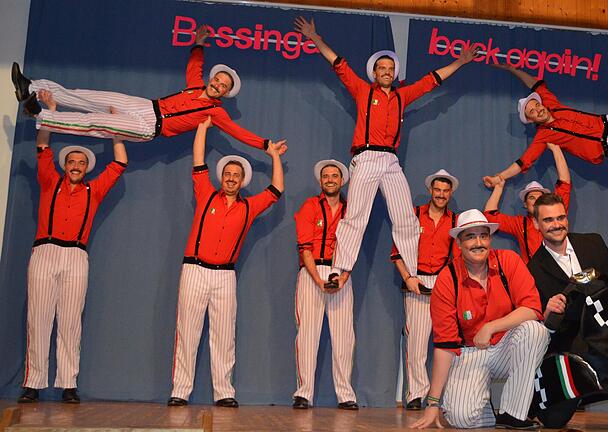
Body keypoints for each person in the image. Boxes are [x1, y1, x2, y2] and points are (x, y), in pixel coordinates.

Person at [294, 16, 478, 290]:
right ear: (374, 72)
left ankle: (413, 274)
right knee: (355, 215)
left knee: (405, 216)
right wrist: (314, 37)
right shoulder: (363, 91)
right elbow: (338, 64)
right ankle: (339, 270)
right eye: (382, 68)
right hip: (366, 156)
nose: (387, 71)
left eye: (391, 68)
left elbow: (432, 81)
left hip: (390, 160)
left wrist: (460, 63)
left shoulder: (402, 96)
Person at [11, 26, 286, 153]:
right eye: (217, 80)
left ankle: (40, 116)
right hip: (145, 105)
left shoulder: (217, 115)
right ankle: (30, 86)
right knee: (87, 96)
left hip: (148, 128)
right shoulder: (195, 86)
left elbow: (239, 133)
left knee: (94, 122)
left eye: (223, 86)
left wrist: (266, 145)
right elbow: (194, 68)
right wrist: (199, 43)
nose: (217, 85)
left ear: (226, 93)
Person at [18, 90, 128, 404]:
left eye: (81, 162)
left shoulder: (94, 190)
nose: (76, 165)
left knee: (69, 320)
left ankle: (68, 383)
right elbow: (42, 145)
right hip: (44, 252)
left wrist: (113, 127)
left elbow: (120, 161)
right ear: (65, 165)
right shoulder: (50, 182)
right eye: (72, 161)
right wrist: (50, 111)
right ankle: (33, 383)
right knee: (38, 317)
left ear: (87, 167)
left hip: (77, 255)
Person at [167, 117, 285, 408]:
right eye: (228, 174)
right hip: (194, 269)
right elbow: (197, 160)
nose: (232, 178)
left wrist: (273, 157)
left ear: (243, 180)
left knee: (223, 334)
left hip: (225, 276)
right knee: (188, 331)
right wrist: (203, 129)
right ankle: (180, 390)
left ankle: (224, 392)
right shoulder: (206, 194)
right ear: (222, 177)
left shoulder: (250, 206)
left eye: (237, 175)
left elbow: (276, 190)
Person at [412, 209, 548, 430]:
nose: (478, 242)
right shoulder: (447, 279)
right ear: (458, 243)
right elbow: (445, 345)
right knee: (461, 419)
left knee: (535, 331)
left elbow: (532, 308)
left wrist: (491, 327)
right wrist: (433, 403)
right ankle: (483, 404)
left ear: (490, 239)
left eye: (483, 236)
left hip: (505, 348)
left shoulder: (509, 261)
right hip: (469, 353)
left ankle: (512, 413)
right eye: (470, 236)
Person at [292, 159, 358, 410]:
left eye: (335, 176)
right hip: (312, 273)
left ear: (342, 181)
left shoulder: (351, 210)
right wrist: (318, 279)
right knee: (307, 334)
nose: (330, 180)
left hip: (340, 271)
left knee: (344, 337)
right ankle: (303, 393)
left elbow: (352, 246)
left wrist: (342, 276)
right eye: (326, 176)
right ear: (320, 181)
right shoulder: (309, 206)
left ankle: (346, 394)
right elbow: (305, 247)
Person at [390, 169, 459, 410]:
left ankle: (443, 395)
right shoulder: (414, 215)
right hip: (416, 280)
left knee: (447, 342)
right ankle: (415, 395)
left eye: (445, 191)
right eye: (437, 190)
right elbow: (397, 250)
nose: (440, 195)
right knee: (417, 343)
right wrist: (408, 277)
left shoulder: (455, 221)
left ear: (450, 194)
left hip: (442, 283)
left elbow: (459, 259)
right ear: (430, 190)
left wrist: (449, 284)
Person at [525, 193, 608, 322]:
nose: (556, 225)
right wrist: (548, 312)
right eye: (548, 220)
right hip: (574, 338)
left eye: (560, 218)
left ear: (567, 219)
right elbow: (542, 321)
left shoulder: (594, 242)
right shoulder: (533, 270)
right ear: (536, 223)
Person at [484, 143, 571, 264]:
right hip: (535, 276)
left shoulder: (556, 210)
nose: (536, 200)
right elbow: (489, 217)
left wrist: (556, 149)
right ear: (525, 204)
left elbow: (564, 182)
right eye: (531, 197)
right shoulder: (520, 224)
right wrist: (498, 187)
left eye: (540, 197)